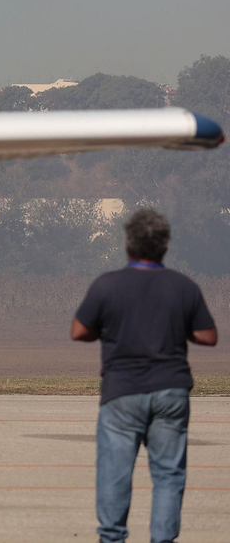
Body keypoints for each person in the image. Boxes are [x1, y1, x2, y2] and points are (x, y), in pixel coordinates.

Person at [72, 208, 217, 543]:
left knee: (115, 474)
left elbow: (79, 331)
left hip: (122, 391)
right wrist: (183, 329)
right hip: (171, 390)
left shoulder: (107, 284)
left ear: (128, 244)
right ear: (164, 246)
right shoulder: (184, 286)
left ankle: (112, 538)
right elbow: (208, 336)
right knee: (168, 476)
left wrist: (105, 331)